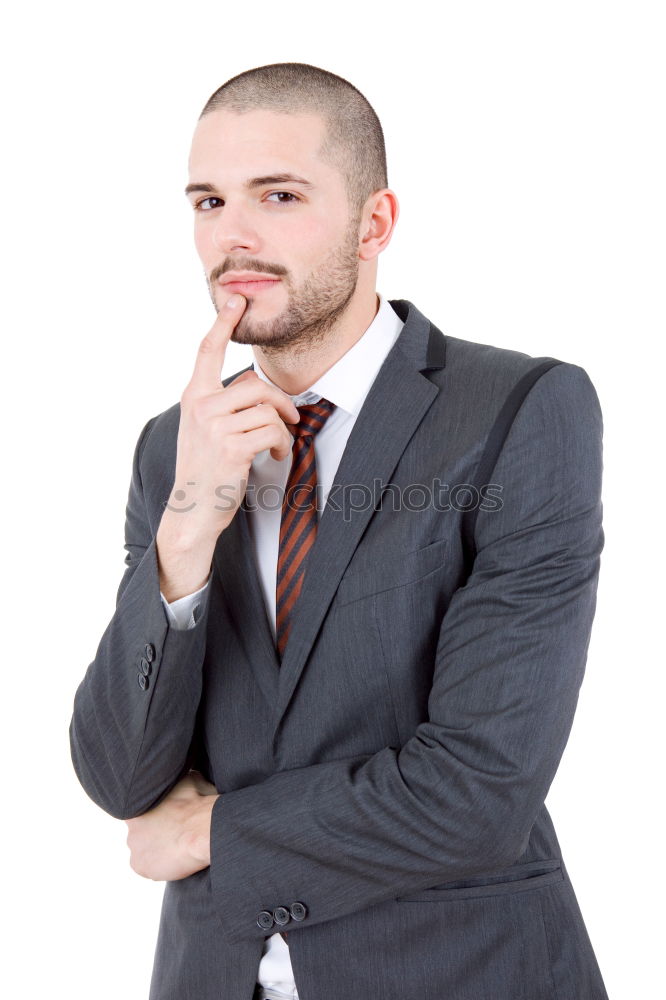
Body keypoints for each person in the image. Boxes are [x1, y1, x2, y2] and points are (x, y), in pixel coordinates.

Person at [69, 62, 609, 1000]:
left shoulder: (519, 411)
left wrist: (208, 831)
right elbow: (121, 775)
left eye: (279, 195)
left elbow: (480, 794)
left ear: (374, 224)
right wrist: (189, 523)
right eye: (208, 200)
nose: (232, 236)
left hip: (460, 973)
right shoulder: (174, 446)